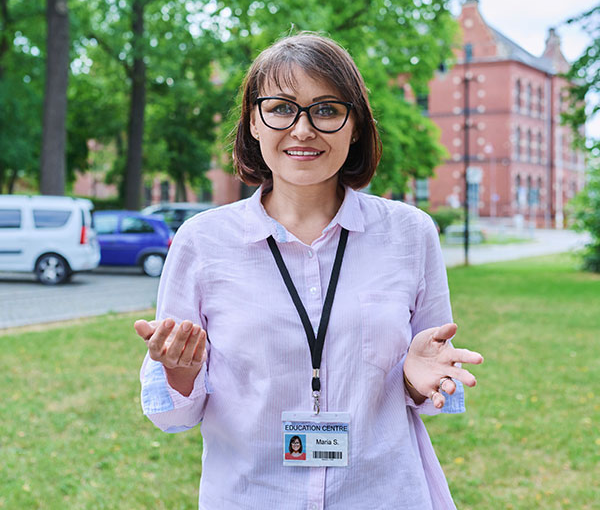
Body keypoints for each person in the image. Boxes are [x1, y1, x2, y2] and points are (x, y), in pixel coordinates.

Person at [134, 33, 484, 510]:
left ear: (355, 125)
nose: (302, 129)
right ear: (253, 123)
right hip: (252, 497)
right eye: (280, 108)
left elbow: (430, 385)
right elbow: (174, 416)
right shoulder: (202, 242)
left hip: (382, 495)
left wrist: (412, 380)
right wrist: (179, 374)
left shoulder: (410, 234)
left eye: (326, 110)